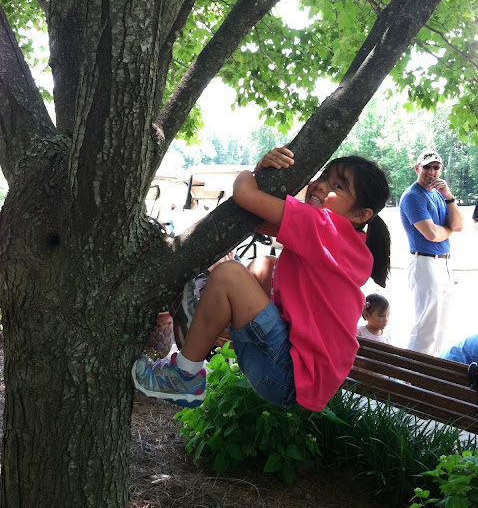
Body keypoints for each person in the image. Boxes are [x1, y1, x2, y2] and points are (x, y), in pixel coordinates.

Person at [132, 146, 391, 411]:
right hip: (294, 378)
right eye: (324, 176)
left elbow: (245, 196)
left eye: (337, 185)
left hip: (287, 372)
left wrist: (252, 172)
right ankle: (203, 312)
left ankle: (184, 375)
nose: (321, 186)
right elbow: (254, 219)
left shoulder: (324, 226)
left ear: (360, 215)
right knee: (264, 265)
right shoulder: (346, 242)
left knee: (230, 274)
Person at [399, 150, 464, 356]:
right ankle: (411, 372)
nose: (431, 171)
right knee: (425, 326)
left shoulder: (438, 195)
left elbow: (458, 225)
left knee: (440, 327)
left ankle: (431, 370)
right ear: (417, 168)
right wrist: (448, 230)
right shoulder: (412, 196)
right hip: (424, 263)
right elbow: (432, 234)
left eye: (436, 167)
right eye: (426, 167)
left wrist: (449, 196)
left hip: (444, 264)